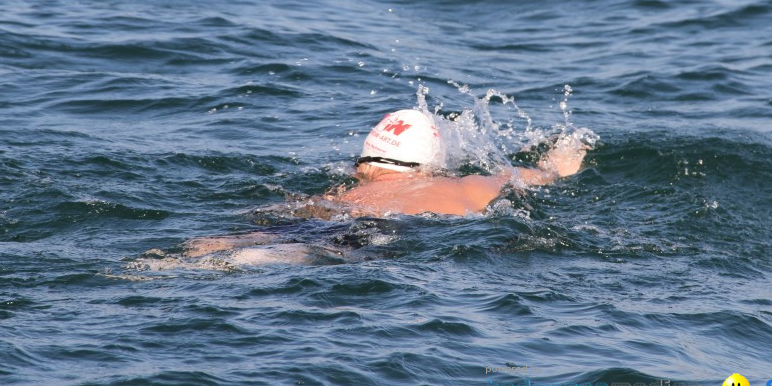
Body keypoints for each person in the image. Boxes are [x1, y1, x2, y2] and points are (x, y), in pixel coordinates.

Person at [176, 109, 589, 259]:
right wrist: (560, 160)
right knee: (327, 250)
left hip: (335, 220)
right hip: (408, 231)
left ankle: (187, 256)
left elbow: (284, 212)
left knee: (267, 238)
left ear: (366, 160)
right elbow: (547, 174)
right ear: (430, 165)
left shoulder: (344, 194)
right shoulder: (474, 184)